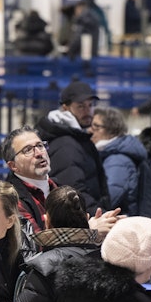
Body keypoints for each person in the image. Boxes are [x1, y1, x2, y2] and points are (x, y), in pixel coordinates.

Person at [36, 81, 109, 213]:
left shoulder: (78, 138)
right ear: (65, 108)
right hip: (81, 217)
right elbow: (73, 192)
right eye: (81, 106)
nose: (87, 111)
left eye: (90, 105)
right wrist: (100, 215)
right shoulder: (66, 143)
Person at [90, 107, 146, 216]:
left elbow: (109, 200)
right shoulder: (109, 154)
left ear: (112, 130)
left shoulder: (118, 161)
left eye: (96, 126)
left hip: (120, 223)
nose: (90, 130)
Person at [2, 125, 56, 236]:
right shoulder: (10, 199)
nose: (39, 153)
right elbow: (36, 241)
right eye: (28, 150)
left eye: (40, 145)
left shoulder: (59, 187)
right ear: (13, 166)